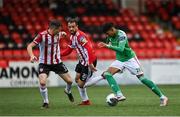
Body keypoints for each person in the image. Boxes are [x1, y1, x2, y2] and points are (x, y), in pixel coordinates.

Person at [97, 22, 168, 106]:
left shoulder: (121, 35)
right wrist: (107, 43)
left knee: (142, 79)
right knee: (107, 74)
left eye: (107, 33)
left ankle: (163, 97)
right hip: (120, 60)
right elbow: (109, 42)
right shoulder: (109, 36)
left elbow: (120, 49)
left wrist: (107, 46)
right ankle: (119, 95)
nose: (107, 35)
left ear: (112, 29)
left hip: (130, 59)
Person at [27, 20, 74, 109]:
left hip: (57, 63)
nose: (60, 31)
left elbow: (62, 34)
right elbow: (30, 46)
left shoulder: (58, 34)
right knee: (42, 82)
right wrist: (32, 56)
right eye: (59, 29)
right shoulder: (42, 36)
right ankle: (46, 102)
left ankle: (68, 91)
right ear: (54, 29)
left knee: (70, 81)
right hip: (44, 63)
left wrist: (63, 33)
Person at [61, 18, 97, 105]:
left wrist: (90, 63)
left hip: (88, 62)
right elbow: (68, 50)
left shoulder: (80, 36)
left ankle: (103, 76)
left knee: (81, 84)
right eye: (69, 27)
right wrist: (58, 54)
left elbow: (89, 47)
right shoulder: (72, 37)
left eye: (73, 27)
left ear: (77, 26)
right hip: (82, 61)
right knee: (77, 79)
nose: (71, 29)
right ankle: (85, 101)